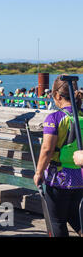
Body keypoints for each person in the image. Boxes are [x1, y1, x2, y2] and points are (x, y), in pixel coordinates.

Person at [33, 76, 83, 237]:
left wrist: (39, 172)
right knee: (75, 215)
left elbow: (47, 149)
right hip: (80, 176)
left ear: (57, 96)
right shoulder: (81, 115)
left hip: (59, 177)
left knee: (57, 221)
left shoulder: (54, 118)